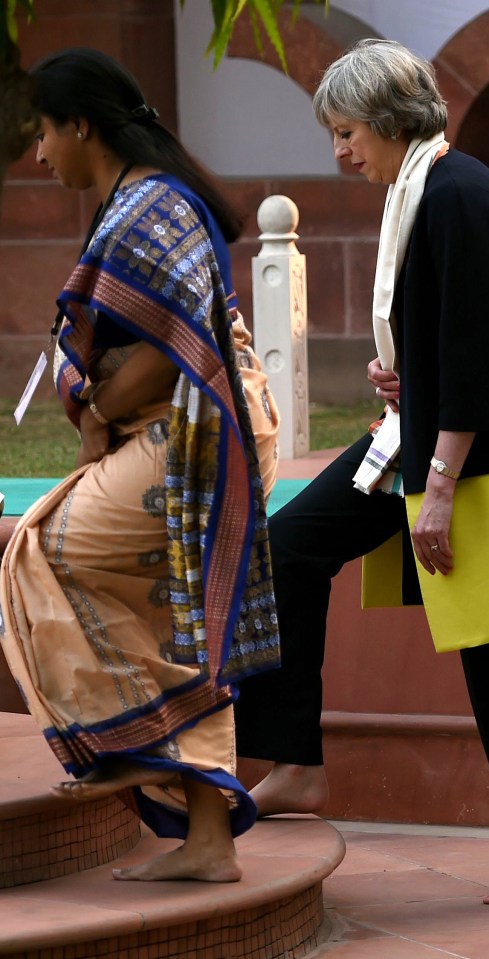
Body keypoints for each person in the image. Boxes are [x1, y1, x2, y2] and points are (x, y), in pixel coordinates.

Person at [235, 38, 489, 906]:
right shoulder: (427, 193)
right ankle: (294, 761)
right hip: (427, 436)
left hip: (476, 462)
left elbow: (484, 361)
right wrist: (410, 377)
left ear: (389, 118)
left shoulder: (456, 197)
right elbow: (457, 340)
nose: (338, 150)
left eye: (345, 130)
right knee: (291, 543)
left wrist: (436, 490)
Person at [0, 47, 280, 883]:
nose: (40, 152)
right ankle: (207, 838)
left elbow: (172, 345)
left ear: (81, 124)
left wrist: (103, 406)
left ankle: (131, 741)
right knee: (173, 619)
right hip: (180, 435)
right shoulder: (136, 197)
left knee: (41, 553)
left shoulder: (152, 204)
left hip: (190, 438)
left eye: (45, 132)